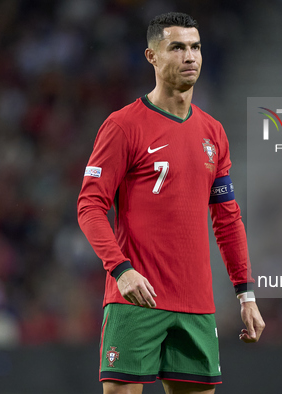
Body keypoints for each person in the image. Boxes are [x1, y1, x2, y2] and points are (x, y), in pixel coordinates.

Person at [77, 12, 265, 394]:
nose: (190, 56)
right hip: (137, 301)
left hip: (196, 305)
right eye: (177, 47)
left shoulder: (213, 133)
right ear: (153, 57)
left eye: (195, 47)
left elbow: (227, 220)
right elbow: (90, 207)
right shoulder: (123, 126)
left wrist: (245, 294)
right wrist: (121, 270)